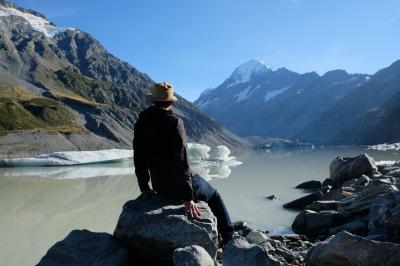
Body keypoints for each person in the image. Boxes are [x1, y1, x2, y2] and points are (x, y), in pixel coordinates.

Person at [133, 82, 234, 245]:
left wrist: (145, 188)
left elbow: (139, 157)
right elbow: (182, 162)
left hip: (160, 186)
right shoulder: (174, 122)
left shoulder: (141, 122)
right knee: (214, 196)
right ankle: (229, 237)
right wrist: (188, 198)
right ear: (171, 102)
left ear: (153, 100)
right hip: (179, 187)